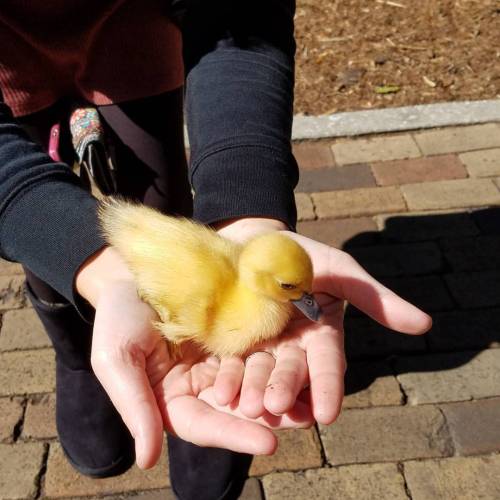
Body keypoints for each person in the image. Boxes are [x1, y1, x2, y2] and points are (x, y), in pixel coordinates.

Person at [0, 1, 432, 499]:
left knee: (159, 191)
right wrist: (90, 262)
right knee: (49, 247)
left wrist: (248, 208)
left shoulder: (250, 284)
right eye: (296, 289)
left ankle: (127, 345)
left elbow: (244, 18)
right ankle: (77, 355)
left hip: (134, 23)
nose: (305, 299)